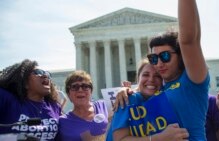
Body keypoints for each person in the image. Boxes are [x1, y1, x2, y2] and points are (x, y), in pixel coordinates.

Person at [112, 0, 209, 140]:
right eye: (153, 58)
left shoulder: (191, 82)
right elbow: (145, 87)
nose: (159, 63)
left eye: (165, 56)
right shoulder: (161, 88)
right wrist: (124, 91)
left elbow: (189, 40)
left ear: (181, 55)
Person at [106, 58, 189, 141]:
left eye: (157, 76)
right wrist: (161, 138)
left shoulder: (165, 101)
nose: (151, 79)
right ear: (138, 79)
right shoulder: (127, 99)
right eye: (146, 75)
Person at [0, 59, 61, 141]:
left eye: (47, 74)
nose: (45, 76)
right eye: (38, 72)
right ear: (25, 82)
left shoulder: (54, 106)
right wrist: (13, 138)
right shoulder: (7, 99)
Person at [56, 70, 109, 141]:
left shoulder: (103, 105)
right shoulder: (62, 122)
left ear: (91, 91)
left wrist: (125, 90)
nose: (80, 90)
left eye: (85, 86)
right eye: (75, 87)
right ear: (68, 94)